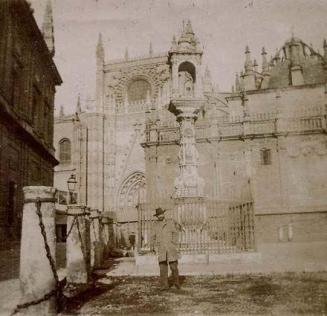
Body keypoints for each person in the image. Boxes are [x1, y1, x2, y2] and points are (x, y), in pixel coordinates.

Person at [151, 207, 181, 290]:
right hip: (161, 249)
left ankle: (176, 283)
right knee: (162, 268)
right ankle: (164, 285)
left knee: (174, 267)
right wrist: (152, 247)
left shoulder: (170, 223)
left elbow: (175, 233)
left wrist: (174, 243)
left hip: (171, 248)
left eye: (161, 214)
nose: (160, 216)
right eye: (158, 215)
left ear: (164, 214)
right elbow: (152, 237)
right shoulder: (155, 225)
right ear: (157, 216)